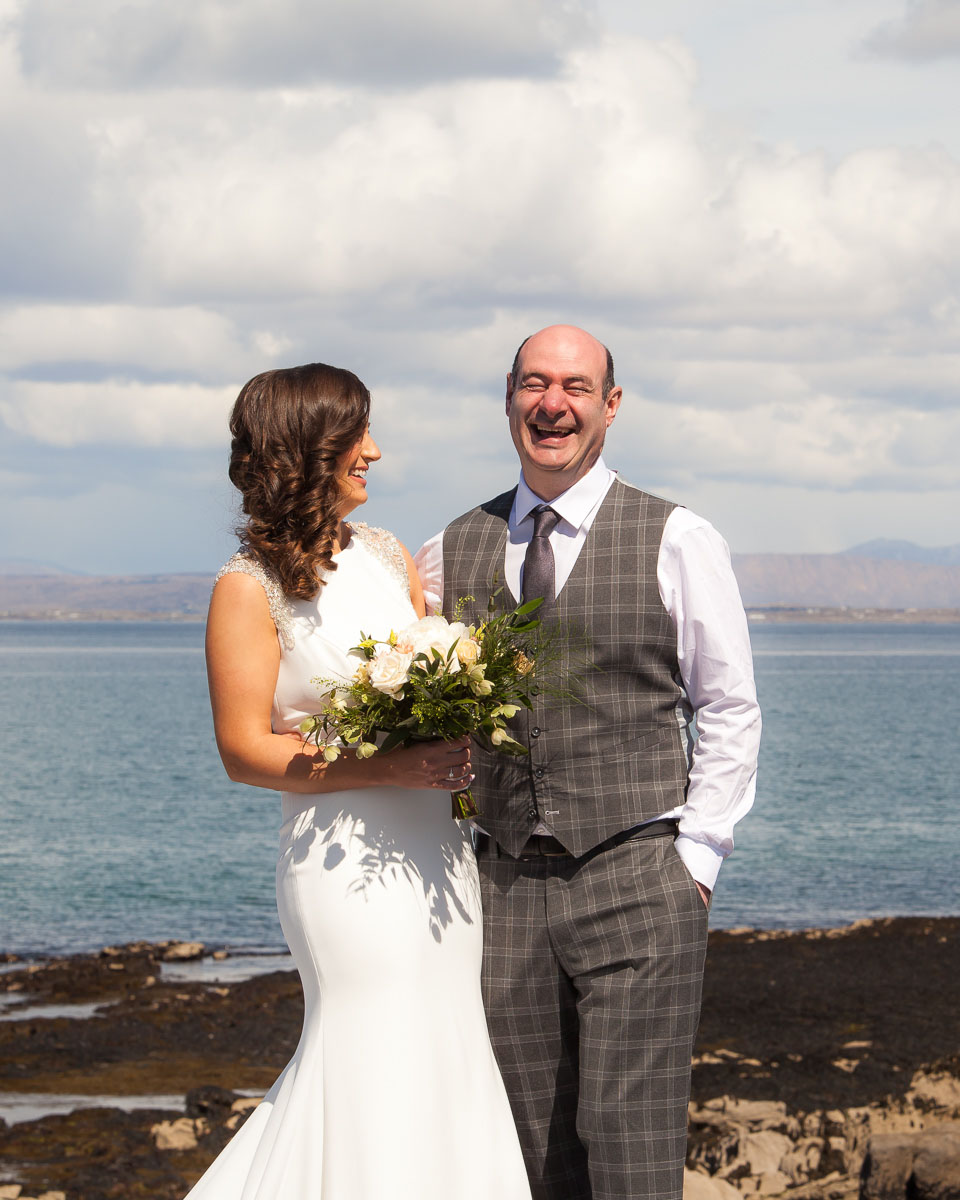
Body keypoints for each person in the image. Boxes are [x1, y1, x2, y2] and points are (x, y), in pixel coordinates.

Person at [415, 325, 762, 1200]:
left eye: (574, 386)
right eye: (534, 384)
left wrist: (697, 860)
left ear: (610, 405)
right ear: (509, 400)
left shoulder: (677, 537)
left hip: (639, 875)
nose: (552, 404)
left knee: (632, 1146)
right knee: (525, 1151)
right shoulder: (449, 548)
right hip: (498, 890)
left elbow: (727, 706)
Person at [187, 363, 531, 1199]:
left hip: (436, 854)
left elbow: (427, 683)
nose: (373, 451)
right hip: (343, 866)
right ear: (308, 451)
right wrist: (387, 765)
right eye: (356, 437)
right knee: (367, 1051)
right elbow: (243, 751)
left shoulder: (384, 557)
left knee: (443, 1049)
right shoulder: (246, 588)